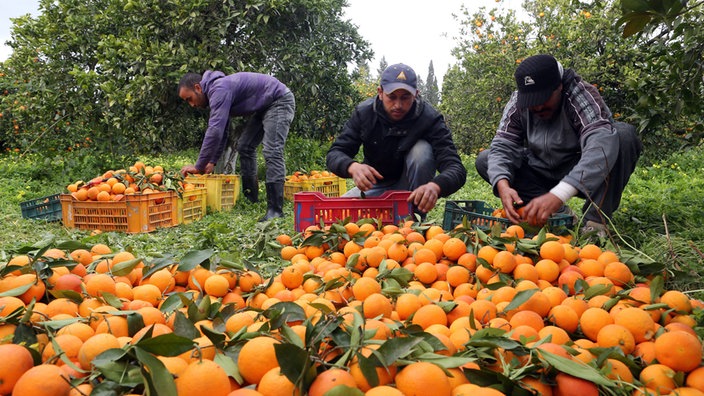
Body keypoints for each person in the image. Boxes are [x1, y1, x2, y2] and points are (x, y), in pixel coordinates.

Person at [475, 54, 642, 234]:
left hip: (581, 171)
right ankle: (558, 214)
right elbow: (502, 146)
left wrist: (561, 193)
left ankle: (595, 222)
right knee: (487, 159)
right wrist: (502, 184)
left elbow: (599, 142)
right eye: (532, 102)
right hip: (539, 169)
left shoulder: (579, 94)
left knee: (624, 136)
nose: (538, 108)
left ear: (559, 86)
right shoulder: (518, 102)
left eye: (543, 99)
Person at [326, 63, 467, 217]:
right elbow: (336, 153)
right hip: (377, 185)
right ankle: (386, 207)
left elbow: (455, 167)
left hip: (411, 190)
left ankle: (414, 219)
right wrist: (352, 166)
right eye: (391, 97)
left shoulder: (429, 119)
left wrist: (436, 186)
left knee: (421, 151)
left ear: (416, 94)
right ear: (380, 92)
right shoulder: (365, 114)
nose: (398, 105)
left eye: (405, 98)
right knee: (336, 217)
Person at [178, 70, 295, 221]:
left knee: (272, 151)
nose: (192, 104)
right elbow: (223, 131)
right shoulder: (217, 92)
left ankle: (275, 210)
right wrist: (212, 161)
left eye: (190, 99)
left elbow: (214, 132)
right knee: (245, 146)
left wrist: (199, 166)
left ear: (198, 88)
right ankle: (251, 199)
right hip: (264, 106)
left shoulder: (218, 90)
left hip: (279, 100)